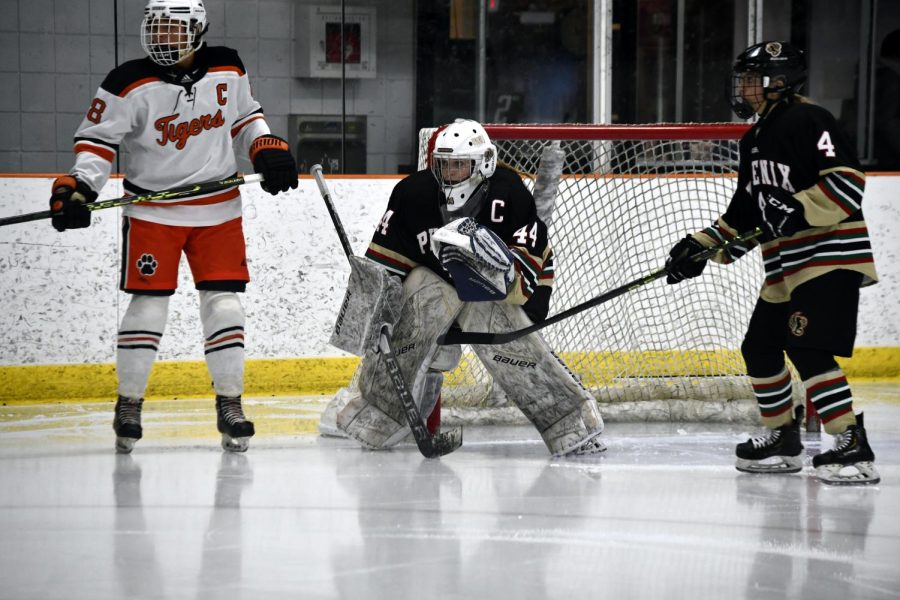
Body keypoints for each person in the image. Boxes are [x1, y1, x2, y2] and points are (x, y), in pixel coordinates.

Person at [49, 0, 298, 454]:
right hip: (153, 212)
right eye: (157, 28)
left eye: (173, 29)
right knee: (148, 307)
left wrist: (264, 145)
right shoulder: (127, 82)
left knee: (225, 308)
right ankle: (129, 404)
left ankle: (230, 404)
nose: (163, 37)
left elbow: (245, 117)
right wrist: (78, 187)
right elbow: (97, 142)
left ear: (198, 30)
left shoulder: (228, 65)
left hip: (218, 209)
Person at [324, 119, 605, 457]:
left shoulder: (508, 191)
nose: (451, 173)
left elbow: (523, 279)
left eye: (459, 164)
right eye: (444, 164)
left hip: (512, 291)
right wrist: (374, 314)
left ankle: (568, 421)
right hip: (436, 289)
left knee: (495, 318)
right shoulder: (412, 194)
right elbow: (382, 271)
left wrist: (494, 274)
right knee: (423, 296)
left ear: (483, 163)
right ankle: (379, 414)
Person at [665, 41, 879, 485]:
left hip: (828, 257)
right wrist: (699, 247)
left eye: (750, 79)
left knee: (807, 347)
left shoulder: (808, 119)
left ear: (778, 82)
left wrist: (798, 209)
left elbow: (846, 182)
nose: (742, 88)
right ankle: (782, 437)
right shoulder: (755, 138)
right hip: (785, 266)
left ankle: (850, 441)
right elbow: (746, 214)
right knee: (759, 347)